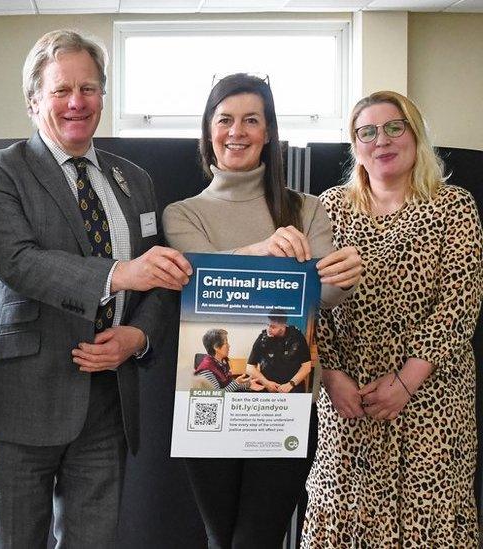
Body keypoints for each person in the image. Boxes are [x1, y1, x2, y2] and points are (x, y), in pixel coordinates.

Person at [0, 29, 191, 547]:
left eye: (89, 88)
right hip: (17, 398)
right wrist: (118, 274)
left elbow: (161, 278)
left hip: (106, 402)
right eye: (61, 90)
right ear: (34, 99)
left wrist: (137, 338)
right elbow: (19, 262)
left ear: (103, 96)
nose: (77, 102)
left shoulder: (135, 180)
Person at [161, 73, 363, 549]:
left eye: (252, 120)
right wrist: (266, 249)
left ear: (268, 131)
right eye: (225, 119)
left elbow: (324, 298)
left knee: (259, 538)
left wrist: (342, 276)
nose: (238, 131)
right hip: (208, 404)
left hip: (284, 408)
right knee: (220, 537)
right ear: (208, 131)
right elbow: (197, 276)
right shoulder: (181, 213)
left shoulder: (307, 209)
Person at [303, 91, 483, 547]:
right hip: (349, 396)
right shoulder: (329, 208)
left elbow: (459, 303)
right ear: (355, 146)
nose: (381, 140)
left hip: (430, 396)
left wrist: (406, 381)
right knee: (344, 506)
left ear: (414, 133)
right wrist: (331, 377)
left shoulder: (453, 206)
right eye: (367, 132)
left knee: (430, 511)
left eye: (393, 127)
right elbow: (309, 300)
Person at [246, 313, 311, 393]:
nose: (269, 329)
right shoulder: (263, 338)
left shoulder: (297, 337)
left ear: (283, 326)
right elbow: (249, 368)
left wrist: (290, 384)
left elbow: (306, 367)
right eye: (268, 325)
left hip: (292, 386)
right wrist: (266, 383)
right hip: (268, 386)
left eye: (273, 327)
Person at [195, 328, 261, 392]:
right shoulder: (206, 370)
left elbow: (228, 386)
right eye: (226, 343)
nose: (229, 346)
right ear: (216, 347)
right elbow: (217, 395)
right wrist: (236, 383)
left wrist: (248, 385)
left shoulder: (221, 363)